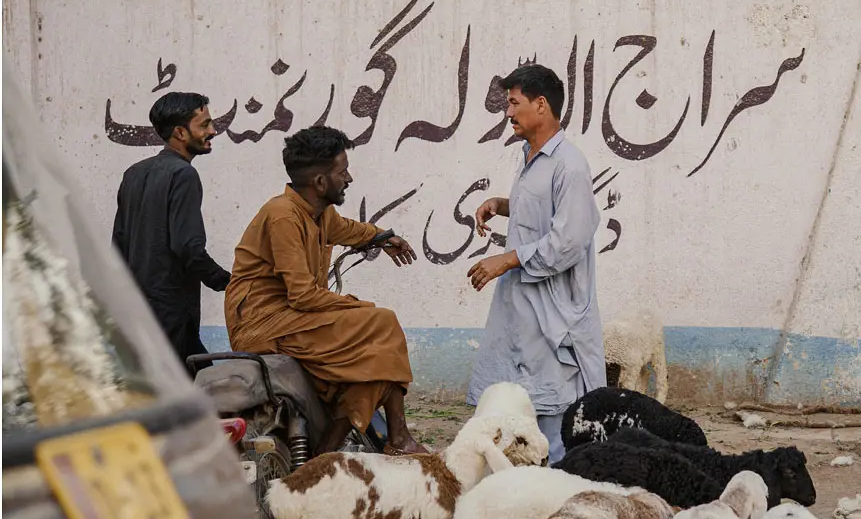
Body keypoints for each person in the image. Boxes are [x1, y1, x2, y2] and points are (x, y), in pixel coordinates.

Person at [225, 125, 428, 455]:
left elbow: (348, 230)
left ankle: (325, 456)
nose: (348, 179)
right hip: (263, 323)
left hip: (293, 318)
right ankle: (399, 439)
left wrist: (381, 237)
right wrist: (357, 308)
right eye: (342, 172)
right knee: (382, 323)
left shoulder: (320, 213)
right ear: (320, 182)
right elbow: (302, 295)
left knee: (375, 363)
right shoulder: (282, 216)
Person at [464, 63, 603, 464]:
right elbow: (542, 212)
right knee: (520, 402)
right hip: (526, 308)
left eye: (514, 103)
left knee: (554, 414)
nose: (508, 113)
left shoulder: (569, 165)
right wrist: (503, 205)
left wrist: (506, 260)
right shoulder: (530, 157)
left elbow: (567, 242)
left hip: (555, 310)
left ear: (541, 105)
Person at [112, 91, 232, 367]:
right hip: (172, 312)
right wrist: (226, 280)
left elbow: (118, 244)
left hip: (138, 312)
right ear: (180, 132)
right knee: (192, 390)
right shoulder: (183, 175)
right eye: (204, 125)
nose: (212, 131)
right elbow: (187, 246)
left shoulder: (133, 173)